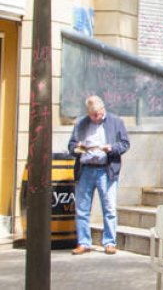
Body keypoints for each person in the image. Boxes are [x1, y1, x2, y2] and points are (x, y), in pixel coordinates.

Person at [67, 95, 130, 255]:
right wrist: (78, 147)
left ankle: (109, 242)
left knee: (109, 208)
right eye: (92, 115)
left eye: (98, 114)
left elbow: (125, 143)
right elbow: (71, 145)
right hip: (85, 169)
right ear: (88, 112)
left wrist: (111, 148)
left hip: (106, 169)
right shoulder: (81, 123)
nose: (96, 118)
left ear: (103, 109)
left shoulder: (116, 121)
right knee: (82, 209)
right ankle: (84, 242)